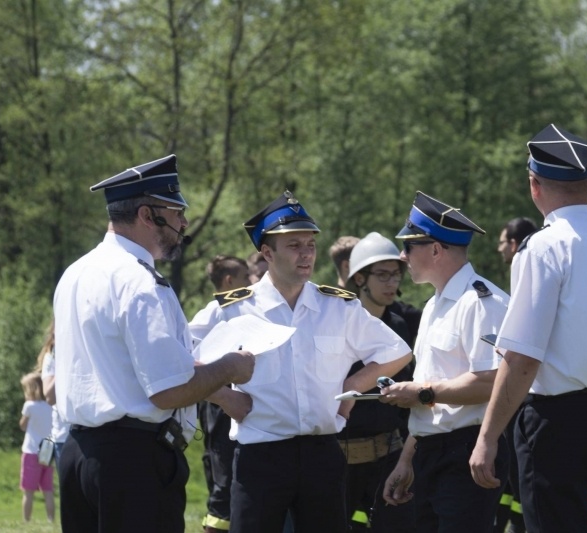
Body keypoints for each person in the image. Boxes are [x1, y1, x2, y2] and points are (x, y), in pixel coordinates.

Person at [189, 190, 413, 533]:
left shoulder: (337, 307)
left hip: (321, 454)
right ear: (267, 252)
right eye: (294, 246)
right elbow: (178, 357)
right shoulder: (233, 308)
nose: (306, 254)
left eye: (310, 245)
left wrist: (351, 388)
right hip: (260, 457)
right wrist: (222, 396)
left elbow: (397, 352)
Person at [53, 154, 255, 533]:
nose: (184, 222)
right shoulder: (141, 283)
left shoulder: (76, 273)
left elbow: (135, 367)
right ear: (148, 215)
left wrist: (222, 395)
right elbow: (169, 390)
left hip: (79, 454)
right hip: (132, 463)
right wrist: (231, 366)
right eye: (176, 211)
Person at [469, 124, 587, 533]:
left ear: (534, 185)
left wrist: (487, 437)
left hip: (556, 423)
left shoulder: (541, 248)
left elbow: (521, 358)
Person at [380, 191, 510, 532]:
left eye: (408, 247)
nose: (401, 256)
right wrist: (406, 460)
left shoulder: (483, 302)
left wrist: (422, 393)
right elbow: (429, 392)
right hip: (430, 451)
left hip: (468, 450)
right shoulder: (434, 307)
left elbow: (492, 381)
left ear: (435, 249)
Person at [341, 232, 419, 532]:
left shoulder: (400, 325)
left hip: (389, 455)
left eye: (396, 275)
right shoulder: (338, 322)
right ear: (359, 279)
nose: (391, 283)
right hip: (341, 459)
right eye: (382, 275)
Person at [200, 254, 252, 533]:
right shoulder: (216, 311)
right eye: (246, 278)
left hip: (232, 403)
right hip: (220, 406)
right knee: (223, 480)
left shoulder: (245, 310)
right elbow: (187, 355)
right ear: (230, 281)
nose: (251, 283)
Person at [493, 217, 537, 533]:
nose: (498, 250)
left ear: (512, 244)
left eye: (500, 242)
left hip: (526, 399)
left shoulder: (527, 267)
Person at [19, 371, 54, 523]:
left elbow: (22, 425)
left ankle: (27, 520)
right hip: (48, 450)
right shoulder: (51, 406)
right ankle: (51, 519)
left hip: (31, 450)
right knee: (48, 490)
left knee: (28, 491)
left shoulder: (29, 406)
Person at [35, 319, 71, 464]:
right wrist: (64, 362)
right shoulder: (51, 357)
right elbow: (50, 396)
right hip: (63, 437)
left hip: (92, 430)